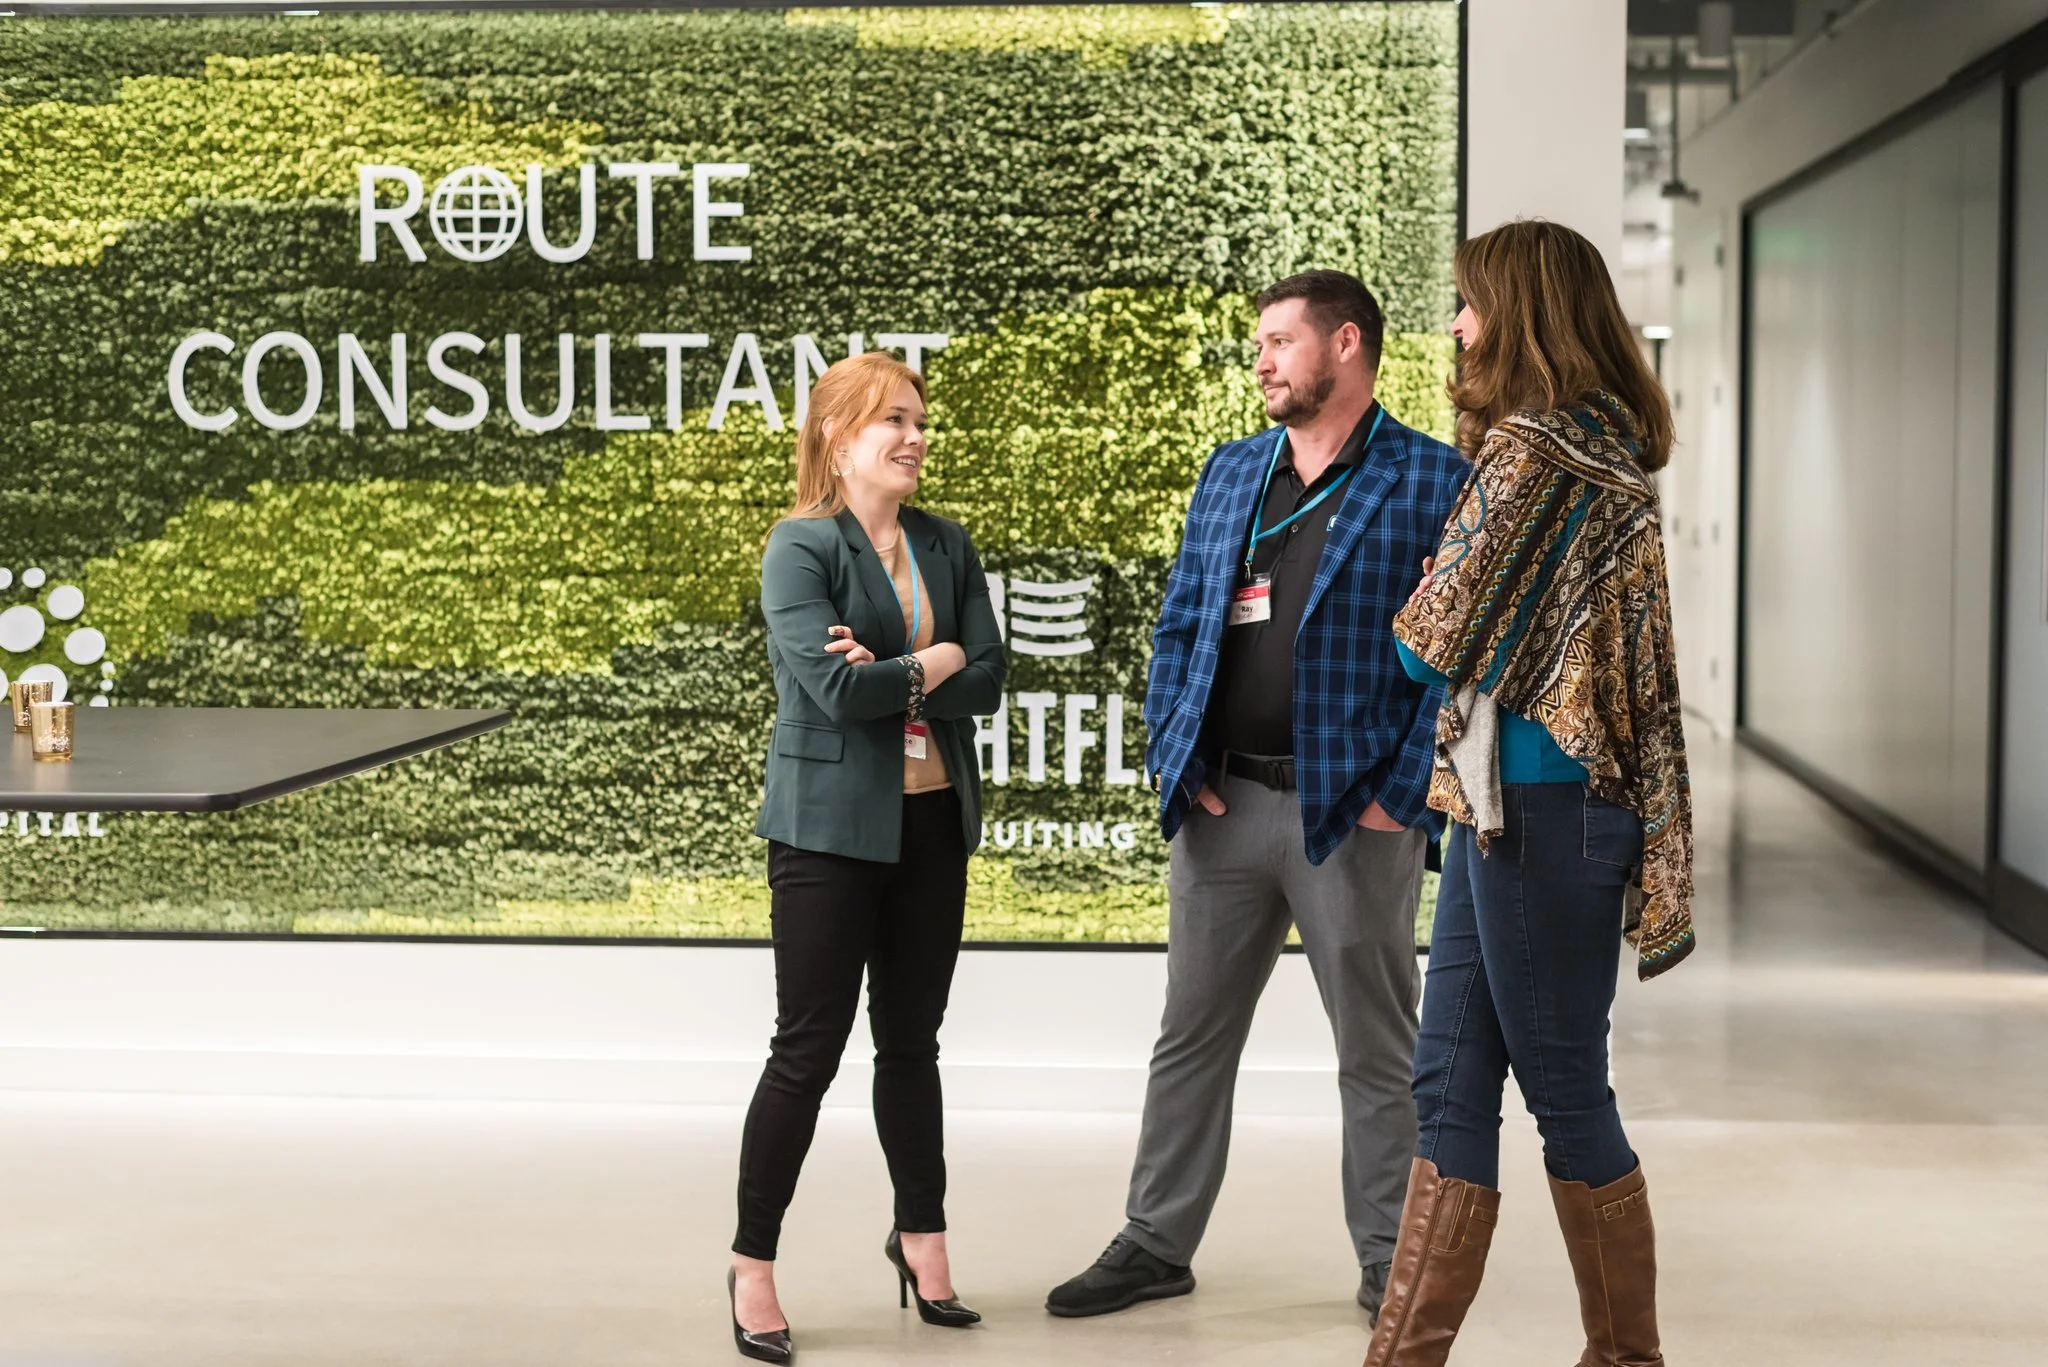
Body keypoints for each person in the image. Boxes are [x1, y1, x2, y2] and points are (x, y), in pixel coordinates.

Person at [1046, 270, 1468, 1324]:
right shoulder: (1233, 470)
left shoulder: (1431, 477)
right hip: (1221, 806)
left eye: (1281, 340)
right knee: (1188, 1035)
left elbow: (1462, 656)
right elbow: (1183, 623)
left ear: (1347, 345)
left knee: (1376, 1050)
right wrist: (1173, 756)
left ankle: (1389, 1258)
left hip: (1347, 814)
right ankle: (1154, 1238)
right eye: (1259, 342)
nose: (1263, 359)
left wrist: (1400, 798)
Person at [1363, 219, 1695, 1367]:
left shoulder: (1537, 453)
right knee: (1447, 1074)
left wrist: (1430, 594)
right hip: (1505, 804)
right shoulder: (1601, 449)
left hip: (1543, 808)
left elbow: (1424, 642)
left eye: (1467, 304)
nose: (1455, 325)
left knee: (1557, 1080)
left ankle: (1625, 1354)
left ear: (1520, 312)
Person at [728, 350, 1006, 1363]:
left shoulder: (945, 541)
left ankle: (920, 1238)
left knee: (912, 1042)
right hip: (826, 834)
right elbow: (836, 695)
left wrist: (911, 667)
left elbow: (989, 675)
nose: (914, 435)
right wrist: (936, 663)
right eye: (892, 418)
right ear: (839, 434)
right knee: (805, 1048)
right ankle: (752, 1264)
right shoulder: (799, 549)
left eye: (919, 418)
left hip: (930, 825)